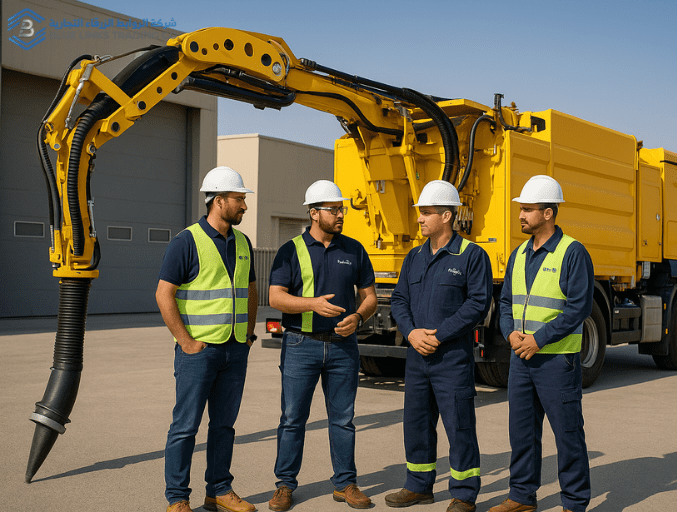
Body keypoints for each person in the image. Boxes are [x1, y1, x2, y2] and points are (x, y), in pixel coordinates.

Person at [267, 180, 378, 511]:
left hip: (344, 347)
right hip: (301, 344)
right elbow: (276, 297)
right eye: (334, 209)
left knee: (343, 418)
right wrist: (312, 304)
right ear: (314, 213)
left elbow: (369, 297)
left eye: (341, 208)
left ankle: (345, 484)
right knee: (292, 418)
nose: (341, 214)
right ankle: (285, 486)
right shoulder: (290, 250)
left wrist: (358, 317)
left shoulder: (354, 249)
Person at [156, 166, 259, 512]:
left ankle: (219, 490)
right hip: (198, 352)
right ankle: (177, 499)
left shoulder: (243, 242)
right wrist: (185, 341)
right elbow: (163, 294)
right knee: (185, 427)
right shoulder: (186, 241)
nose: (244, 205)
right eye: (239, 199)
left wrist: (247, 335)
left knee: (224, 426)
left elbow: (250, 290)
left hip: (234, 350)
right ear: (218, 201)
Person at [386, 180, 493, 512]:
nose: (419, 219)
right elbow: (399, 300)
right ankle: (419, 486)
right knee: (416, 423)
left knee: (459, 425)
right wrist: (412, 333)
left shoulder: (472, 255)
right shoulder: (414, 256)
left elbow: (477, 304)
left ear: (447, 216)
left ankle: (463, 494)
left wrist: (439, 334)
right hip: (417, 357)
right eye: (420, 213)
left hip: (452, 358)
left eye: (426, 213)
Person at [491, 175, 594, 512]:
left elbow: (578, 308)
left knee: (567, 435)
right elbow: (505, 301)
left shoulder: (573, 252)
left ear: (548, 213)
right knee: (521, 433)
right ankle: (522, 497)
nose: (521, 215)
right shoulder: (519, 252)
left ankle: (575, 504)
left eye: (527, 209)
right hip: (521, 359)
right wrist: (510, 334)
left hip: (556, 361)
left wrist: (538, 339)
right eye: (521, 209)